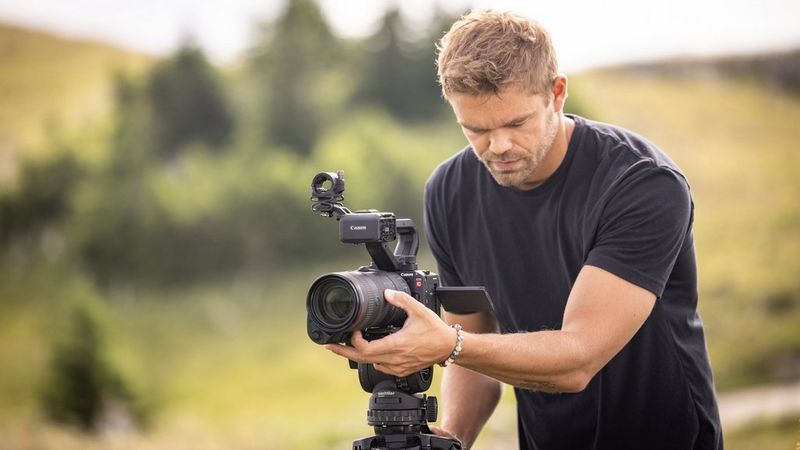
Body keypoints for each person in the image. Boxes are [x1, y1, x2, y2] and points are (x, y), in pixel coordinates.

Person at [326, 9, 722, 450]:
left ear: (557, 94)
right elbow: (473, 343)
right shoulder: (449, 190)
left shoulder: (642, 183)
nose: (498, 146)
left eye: (516, 123)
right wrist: (452, 436)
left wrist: (449, 345)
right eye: (474, 129)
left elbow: (577, 360)